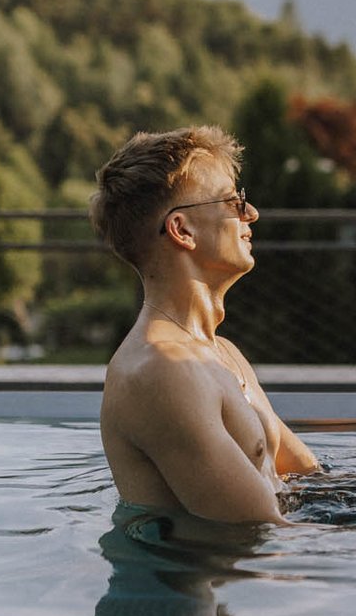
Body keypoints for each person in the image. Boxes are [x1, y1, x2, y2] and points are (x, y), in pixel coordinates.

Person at [90, 126, 319, 526]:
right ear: (182, 230)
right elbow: (261, 530)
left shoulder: (223, 353)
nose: (251, 213)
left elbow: (309, 475)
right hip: (213, 565)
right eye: (233, 201)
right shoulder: (160, 372)